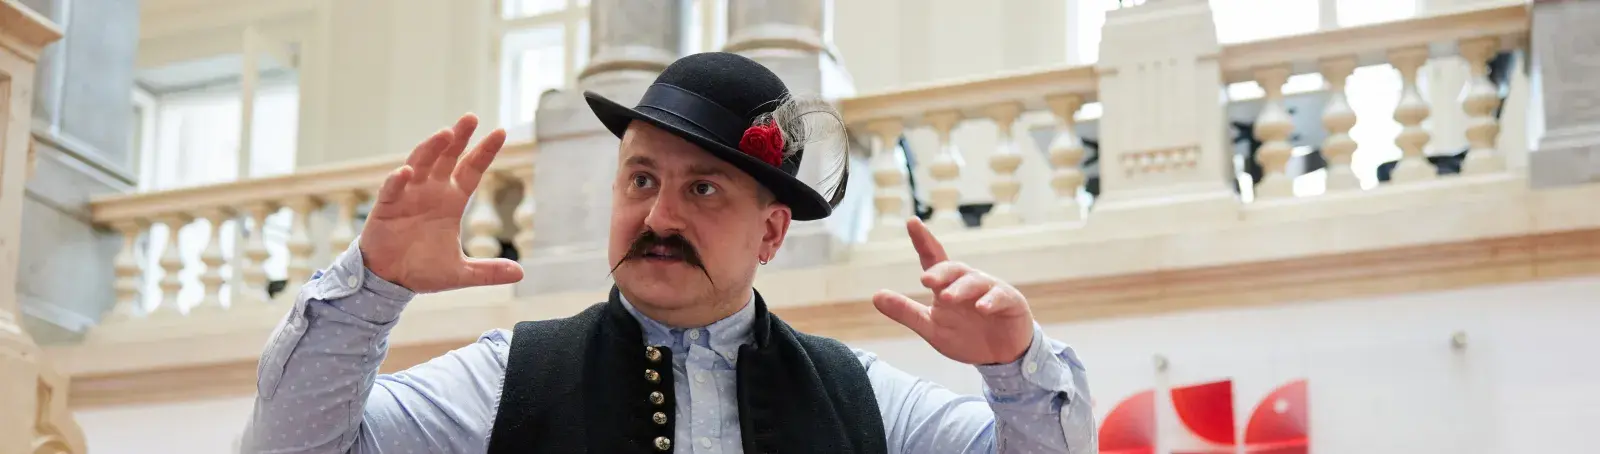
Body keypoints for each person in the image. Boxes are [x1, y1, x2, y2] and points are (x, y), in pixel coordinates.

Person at [242, 52, 1094, 453]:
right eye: (641, 179)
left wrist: (1016, 371)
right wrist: (371, 291)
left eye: (704, 189)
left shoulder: (861, 398)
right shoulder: (510, 379)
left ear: (771, 232)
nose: (659, 215)